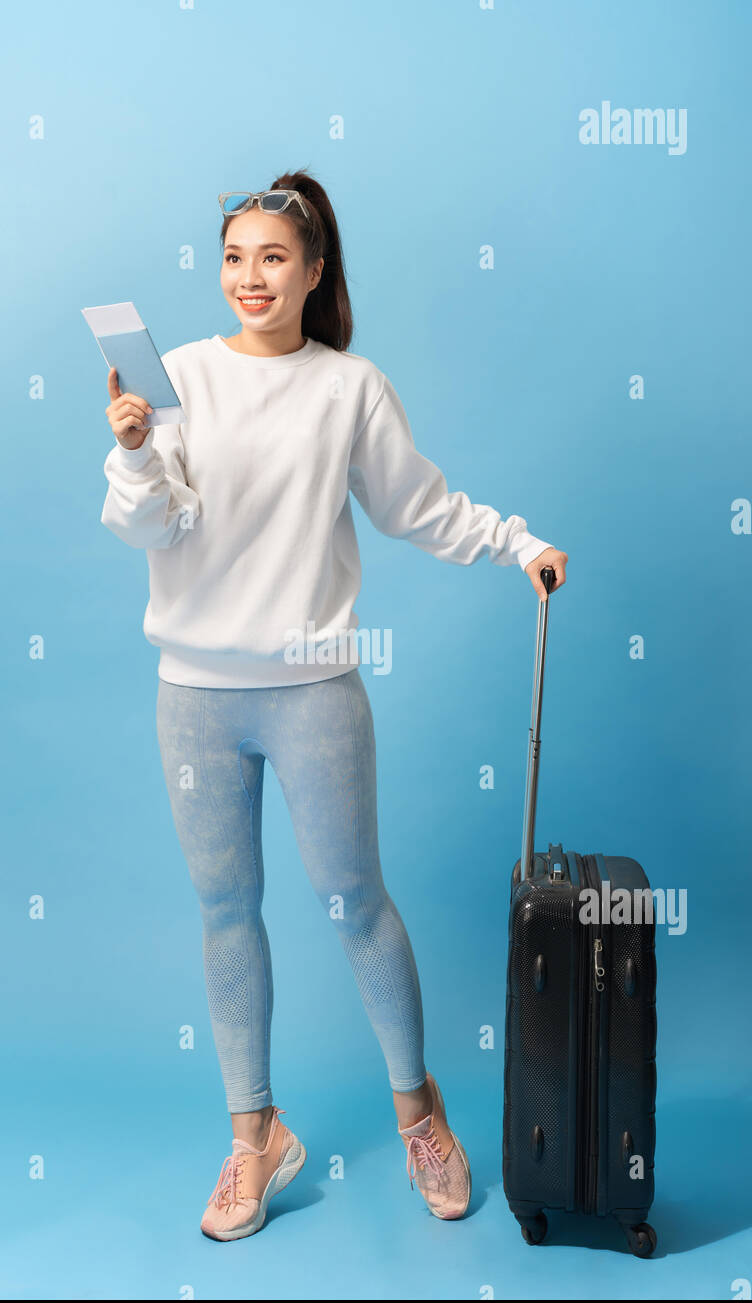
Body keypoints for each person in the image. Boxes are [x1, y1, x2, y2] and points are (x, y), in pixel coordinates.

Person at [100, 169, 568, 1243]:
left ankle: (420, 1111)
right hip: (196, 699)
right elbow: (152, 530)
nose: (249, 277)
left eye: (272, 257)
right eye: (233, 258)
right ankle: (255, 1134)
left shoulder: (349, 387)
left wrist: (518, 543)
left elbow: (423, 507)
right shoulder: (178, 379)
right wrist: (133, 452)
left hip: (312, 689)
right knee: (226, 912)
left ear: (315, 271)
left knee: (355, 901)